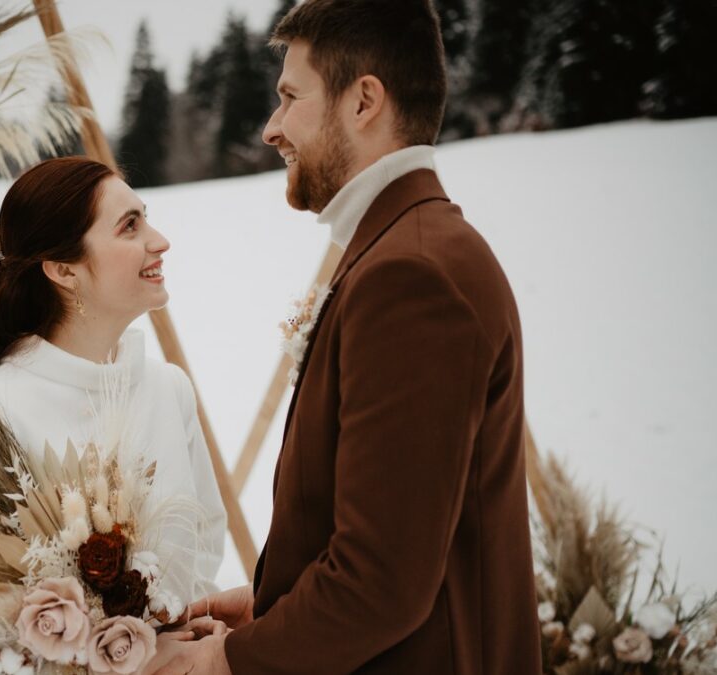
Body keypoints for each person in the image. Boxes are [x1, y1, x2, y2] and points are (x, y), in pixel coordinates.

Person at [151, 1, 541, 673]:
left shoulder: (412, 276)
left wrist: (231, 661)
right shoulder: (411, 246)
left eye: (290, 96)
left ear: (364, 101)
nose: (272, 128)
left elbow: (380, 581)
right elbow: (405, 535)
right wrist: (272, 604)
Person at [0, 157, 226, 654]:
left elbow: (204, 549)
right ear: (62, 270)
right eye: (129, 226)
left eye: (146, 216)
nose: (159, 240)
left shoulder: (169, 389)